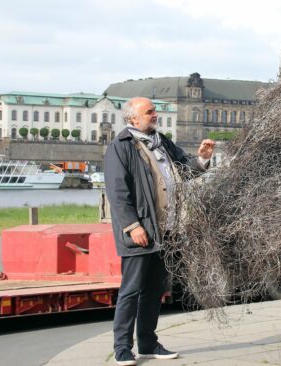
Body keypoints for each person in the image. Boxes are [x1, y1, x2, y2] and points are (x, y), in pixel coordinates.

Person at [104, 97, 215, 365]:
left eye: (154, 111)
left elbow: (185, 169)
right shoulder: (120, 147)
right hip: (140, 231)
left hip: (166, 230)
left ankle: (148, 343)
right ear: (133, 119)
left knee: (154, 290)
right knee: (131, 290)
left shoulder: (161, 141)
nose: (155, 115)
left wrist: (202, 158)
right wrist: (132, 226)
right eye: (149, 112)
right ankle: (121, 348)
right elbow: (118, 193)